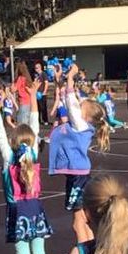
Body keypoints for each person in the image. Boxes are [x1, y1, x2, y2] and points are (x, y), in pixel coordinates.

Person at [0, 79, 58, 254]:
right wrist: (35, 97)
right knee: (41, 253)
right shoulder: (34, 157)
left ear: (13, 142)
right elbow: (35, 128)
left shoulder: (9, 160)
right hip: (36, 210)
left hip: (18, 212)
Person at [48, 64, 110, 242]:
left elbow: (71, 102)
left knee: (78, 222)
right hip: (78, 174)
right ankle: (92, 249)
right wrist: (60, 80)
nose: (78, 103)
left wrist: (71, 78)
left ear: (85, 115)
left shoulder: (81, 125)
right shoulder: (83, 125)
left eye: (81, 105)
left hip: (78, 175)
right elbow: (70, 99)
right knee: (83, 219)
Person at [13, 61, 33, 125]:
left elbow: (14, 89)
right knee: (27, 120)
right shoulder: (28, 79)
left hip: (23, 101)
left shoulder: (20, 78)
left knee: (22, 121)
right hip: (29, 101)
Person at [34, 61, 50, 125]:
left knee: (43, 107)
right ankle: (38, 120)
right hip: (37, 93)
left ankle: (45, 120)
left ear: (40, 68)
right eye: (35, 68)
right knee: (37, 108)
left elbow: (46, 83)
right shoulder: (36, 75)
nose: (36, 69)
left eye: (37, 68)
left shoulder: (44, 74)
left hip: (42, 93)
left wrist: (44, 92)